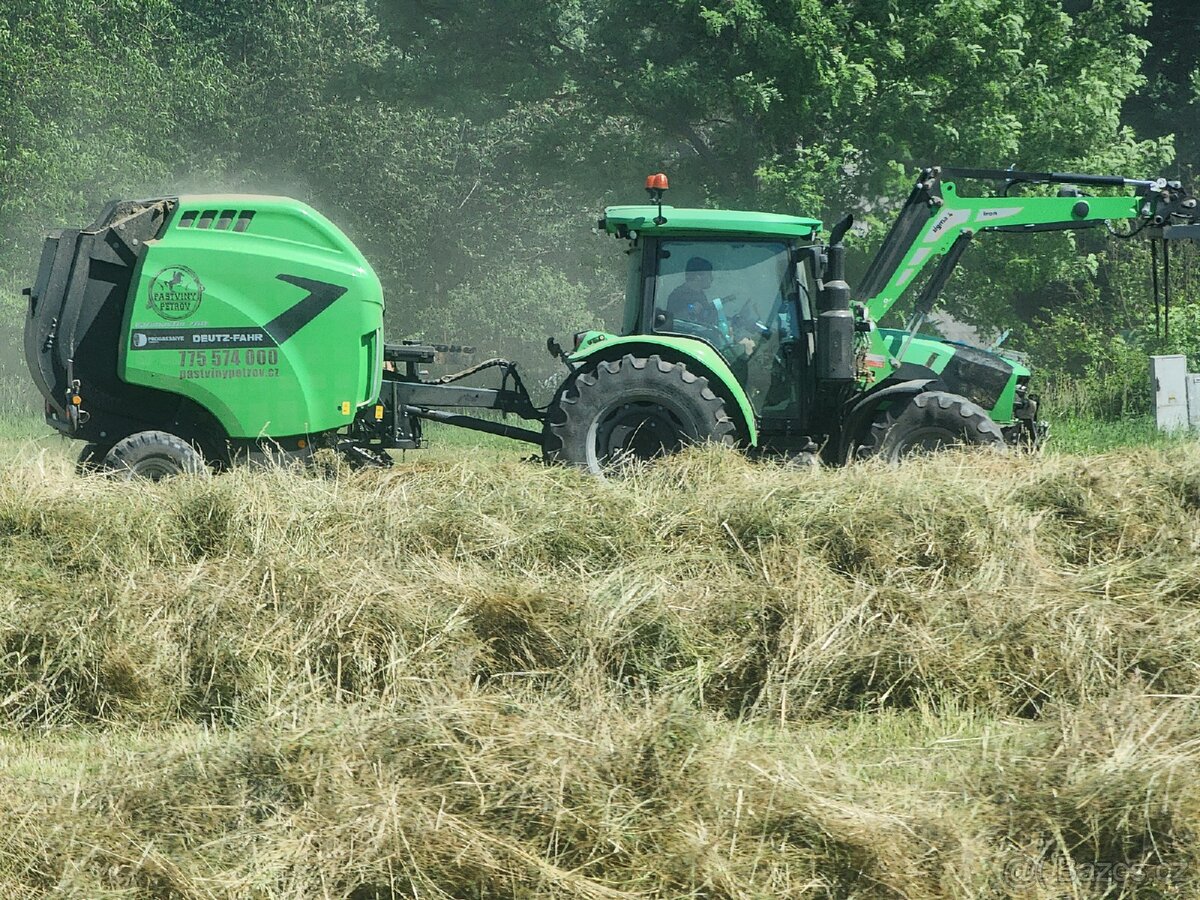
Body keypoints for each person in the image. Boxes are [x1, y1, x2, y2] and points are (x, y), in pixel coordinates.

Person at [665, 256, 755, 358]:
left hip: (704, 341)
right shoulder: (679, 295)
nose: (712, 279)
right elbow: (674, 321)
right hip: (690, 346)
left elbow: (706, 311)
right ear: (698, 276)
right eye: (709, 275)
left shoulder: (699, 294)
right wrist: (689, 310)